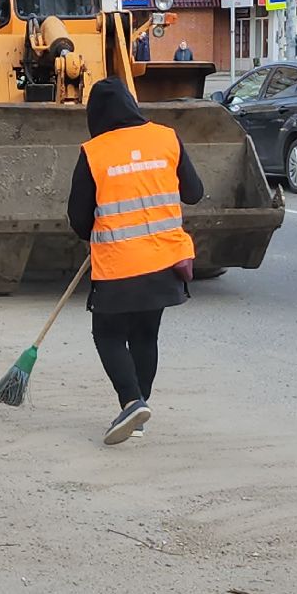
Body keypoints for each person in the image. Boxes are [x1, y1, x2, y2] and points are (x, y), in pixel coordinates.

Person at [67, 77, 204, 446]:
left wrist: (99, 225)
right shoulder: (166, 138)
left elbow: (79, 220)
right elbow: (195, 192)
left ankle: (131, 401)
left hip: (118, 266)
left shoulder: (94, 152)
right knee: (146, 335)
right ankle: (140, 412)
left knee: (107, 334)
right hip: (164, 262)